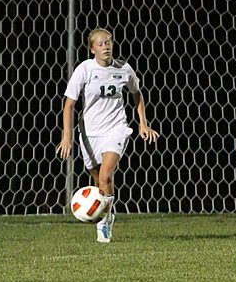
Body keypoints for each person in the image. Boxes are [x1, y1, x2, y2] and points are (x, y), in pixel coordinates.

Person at [57, 27, 159, 243]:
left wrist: (143, 124)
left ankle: (104, 224)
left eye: (109, 42)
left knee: (106, 176)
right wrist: (67, 136)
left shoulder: (124, 69)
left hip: (116, 129)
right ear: (92, 48)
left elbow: (136, 94)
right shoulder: (84, 69)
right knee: (99, 183)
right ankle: (106, 212)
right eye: (101, 44)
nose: (106, 46)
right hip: (89, 133)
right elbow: (69, 105)